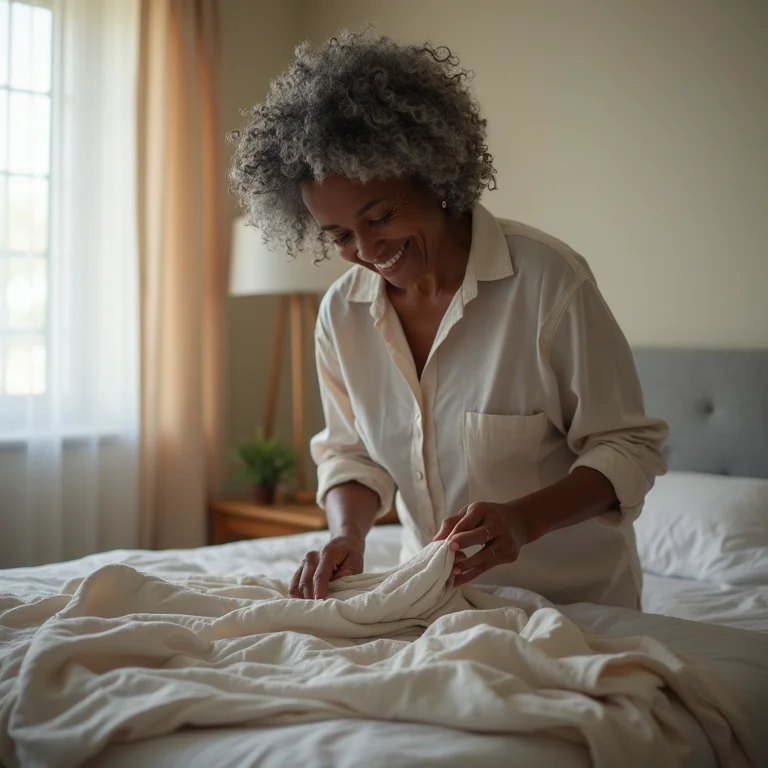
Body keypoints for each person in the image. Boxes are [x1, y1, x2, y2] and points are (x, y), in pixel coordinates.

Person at [229, 30, 668, 609]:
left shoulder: (548, 282)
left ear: (433, 176)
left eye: (380, 216)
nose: (366, 250)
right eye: (339, 235)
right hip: (437, 609)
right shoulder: (342, 313)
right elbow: (351, 455)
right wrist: (347, 534)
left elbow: (626, 446)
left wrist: (522, 522)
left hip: (577, 611)